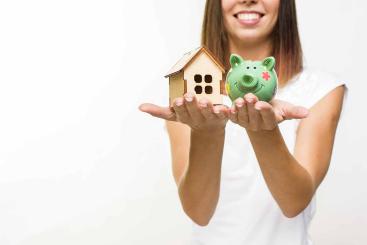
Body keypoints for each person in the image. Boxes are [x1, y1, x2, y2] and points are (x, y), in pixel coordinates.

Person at [139, 0, 347, 244]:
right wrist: (207, 133)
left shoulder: (322, 91)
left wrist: (264, 131)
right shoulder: (191, 96)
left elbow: (294, 203)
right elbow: (199, 212)